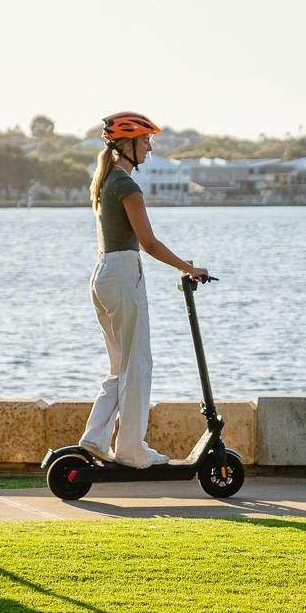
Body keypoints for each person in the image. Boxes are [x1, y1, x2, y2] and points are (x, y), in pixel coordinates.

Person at [79, 112, 208, 467]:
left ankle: (94, 439)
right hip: (122, 276)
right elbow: (148, 243)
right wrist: (189, 267)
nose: (150, 146)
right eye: (145, 140)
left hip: (104, 275)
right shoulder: (126, 186)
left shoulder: (106, 181)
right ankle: (132, 449)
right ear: (127, 144)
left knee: (121, 366)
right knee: (138, 365)